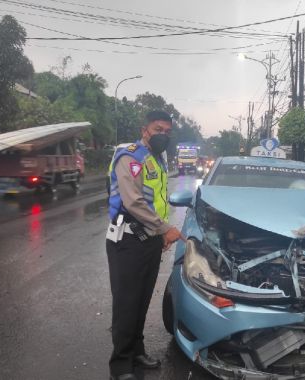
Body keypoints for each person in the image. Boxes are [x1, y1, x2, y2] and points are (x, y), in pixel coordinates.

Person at [106, 110, 184, 380]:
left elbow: (157, 202)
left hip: (149, 239)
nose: (163, 135)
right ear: (144, 130)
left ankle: (136, 351)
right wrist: (166, 229)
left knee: (141, 301)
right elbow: (133, 202)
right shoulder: (130, 156)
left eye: (167, 131)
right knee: (127, 302)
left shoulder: (157, 160)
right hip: (127, 239)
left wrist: (159, 233)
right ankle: (120, 365)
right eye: (158, 129)